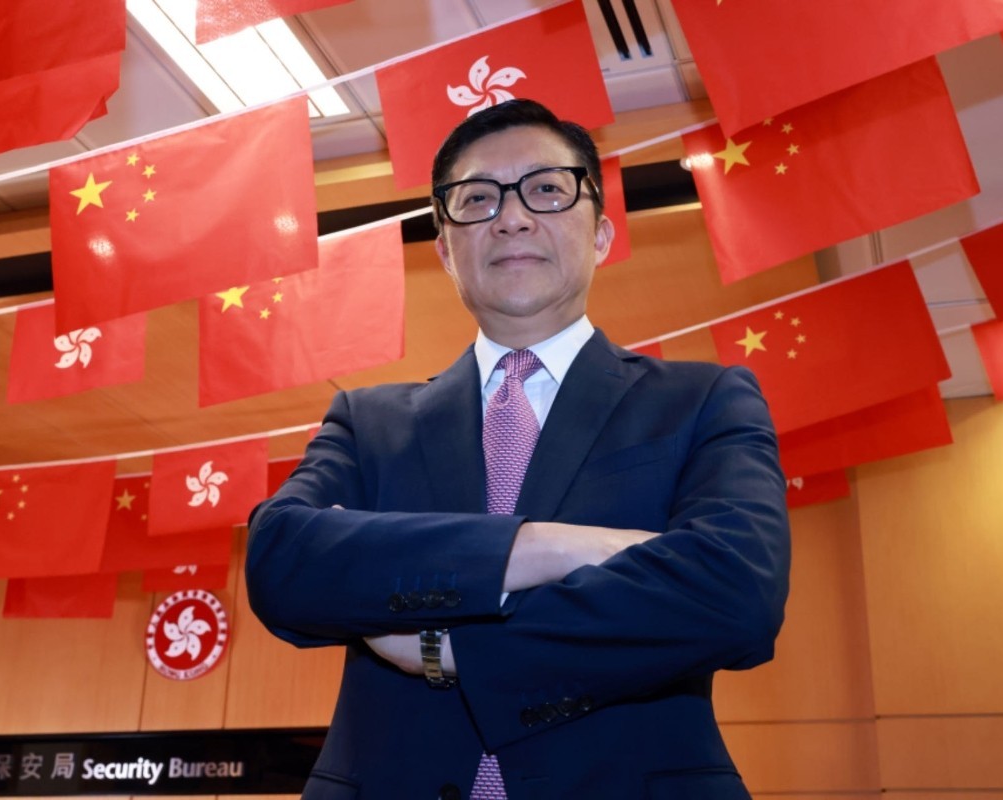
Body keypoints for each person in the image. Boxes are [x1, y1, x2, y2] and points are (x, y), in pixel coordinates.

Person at [246, 99, 790, 799]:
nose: (511, 217)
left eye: (546, 189)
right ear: (445, 251)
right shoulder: (368, 421)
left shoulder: (704, 399)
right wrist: (550, 546)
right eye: (476, 199)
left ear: (601, 234)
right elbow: (282, 561)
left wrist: (453, 651)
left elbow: (735, 594)